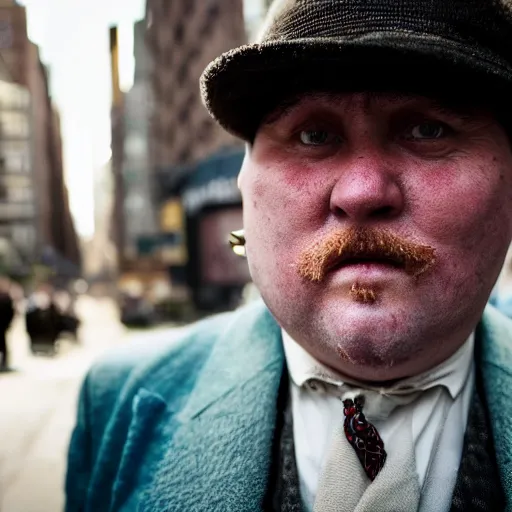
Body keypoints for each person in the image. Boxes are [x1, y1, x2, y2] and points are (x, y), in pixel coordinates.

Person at [65, 1, 512, 510]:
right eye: (313, 135)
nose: (363, 191)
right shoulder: (116, 405)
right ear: (245, 184)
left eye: (428, 129)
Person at [0, 279, 14, 371]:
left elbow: (10, 313)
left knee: (3, 346)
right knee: (3, 345)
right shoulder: (6, 298)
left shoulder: (6, 299)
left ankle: (4, 363)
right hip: (3, 326)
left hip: (3, 326)